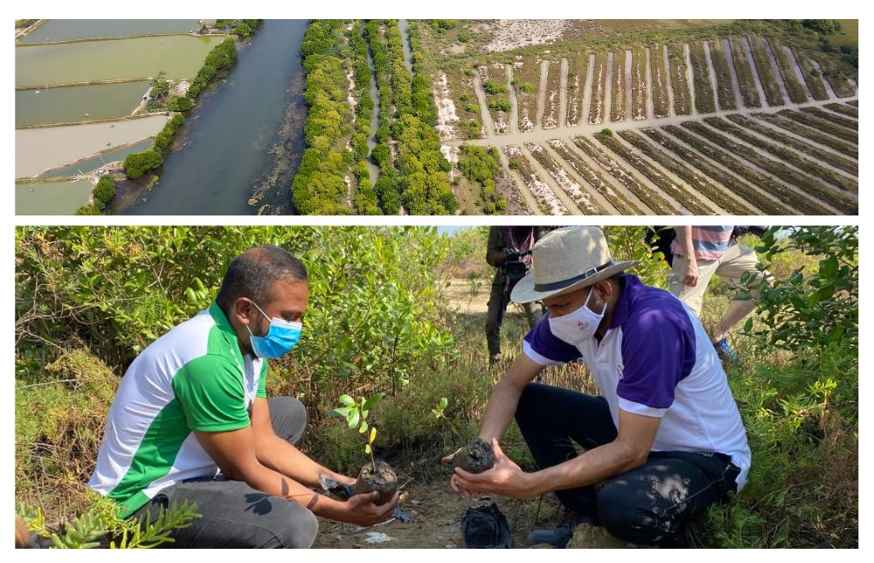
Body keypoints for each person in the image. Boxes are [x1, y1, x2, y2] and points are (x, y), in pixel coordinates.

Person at [449, 227, 751, 547]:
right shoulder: (574, 316)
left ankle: (661, 537)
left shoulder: (653, 323)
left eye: (561, 305)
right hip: (635, 431)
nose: (553, 317)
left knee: (624, 505)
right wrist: (483, 448)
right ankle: (590, 521)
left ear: (603, 290)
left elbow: (632, 451)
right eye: (549, 306)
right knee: (531, 401)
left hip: (704, 456)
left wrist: (530, 484)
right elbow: (511, 383)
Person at [88, 246, 398, 548]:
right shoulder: (209, 360)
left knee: (288, 413)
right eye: (288, 317)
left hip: (198, 469)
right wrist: (342, 512)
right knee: (293, 525)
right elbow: (245, 467)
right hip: (140, 502)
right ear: (245, 310)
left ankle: (227, 502)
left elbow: (262, 439)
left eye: (300, 317)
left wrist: (343, 485)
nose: (295, 328)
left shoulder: (248, 343)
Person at [668, 226, 771, 362]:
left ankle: (718, 339)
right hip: (695, 251)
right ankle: (673, 366)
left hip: (726, 247)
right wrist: (689, 260)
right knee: (683, 316)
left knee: (764, 283)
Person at [485, 226, 547, 365]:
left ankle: (539, 364)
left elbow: (543, 248)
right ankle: (494, 359)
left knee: (538, 324)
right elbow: (490, 256)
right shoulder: (499, 226)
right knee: (492, 322)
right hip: (504, 276)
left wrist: (534, 253)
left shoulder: (535, 226)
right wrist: (505, 255)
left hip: (527, 277)